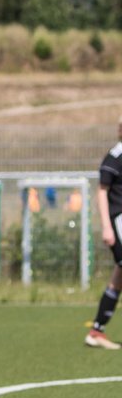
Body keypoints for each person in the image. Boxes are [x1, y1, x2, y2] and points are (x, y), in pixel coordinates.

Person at [85, 115, 122, 349]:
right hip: (119, 221)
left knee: (119, 277)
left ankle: (97, 331)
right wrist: (107, 226)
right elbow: (101, 192)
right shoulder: (115, 156)